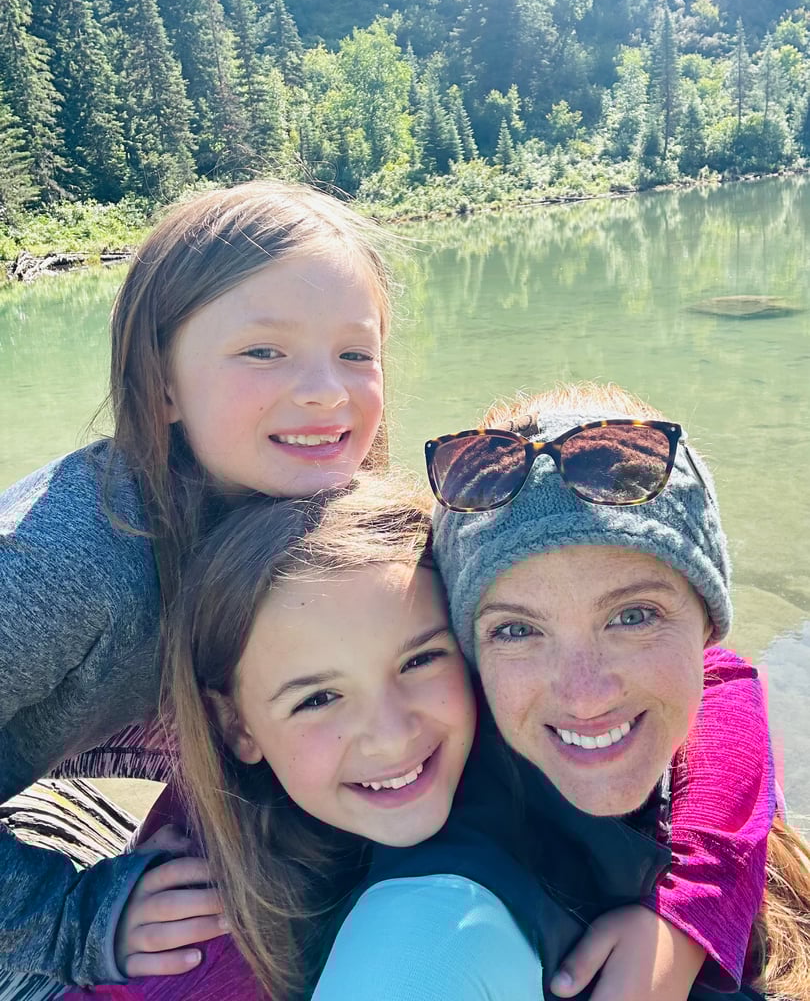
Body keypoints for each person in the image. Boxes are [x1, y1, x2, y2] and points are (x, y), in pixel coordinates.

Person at [59, 469, 773, 1001]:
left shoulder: (504, 691)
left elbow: (718, 675)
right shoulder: (200, 934)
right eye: (318, 699)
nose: (391, 734)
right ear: (236, 727)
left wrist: (687, 917)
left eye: (420, 661)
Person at [0, 179, 394, 996]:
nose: (327, 390)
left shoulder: (328, 521)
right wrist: (73, 917)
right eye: (264, 351)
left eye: (356, 354)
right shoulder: (66, 561)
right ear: (163, 386)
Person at [311, 383, 810, 1001]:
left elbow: (729, 681)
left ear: (706, 624)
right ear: (471, 659)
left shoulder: (711, 743)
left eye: (633, 617)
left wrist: (692, 913)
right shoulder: (443, 916)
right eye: (517, 630)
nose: (585, 695)